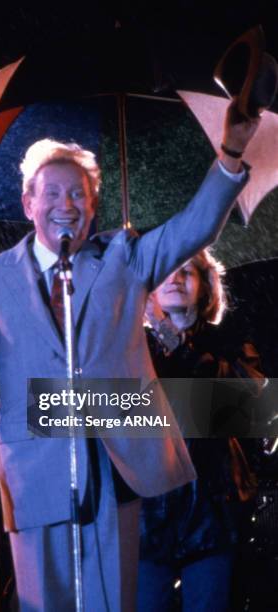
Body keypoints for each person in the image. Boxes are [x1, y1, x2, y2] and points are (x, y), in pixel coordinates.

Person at [0, 101, 260, 611]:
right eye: (54, 192)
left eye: (79, 194)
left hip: (115, 469)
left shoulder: (122, 258)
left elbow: (194, 229)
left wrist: (232, 152)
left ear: (93, 204)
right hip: (32, 468)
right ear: (28, 203)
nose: (66, 204)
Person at [137, 248, 265, 612]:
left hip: (212, 513)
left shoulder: (229, 340)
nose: (176, 278)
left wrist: (174, 340)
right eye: (166, 271)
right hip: (148, 516)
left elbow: (251, 409)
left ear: (205, 287)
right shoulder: (130, 348)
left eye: (187, 270)